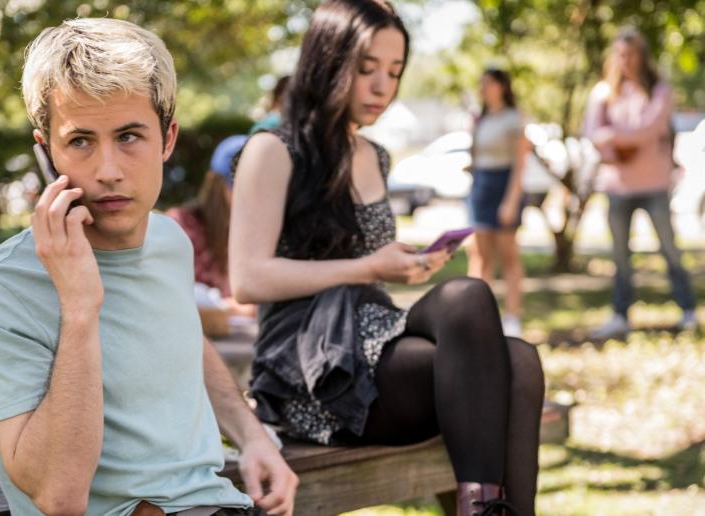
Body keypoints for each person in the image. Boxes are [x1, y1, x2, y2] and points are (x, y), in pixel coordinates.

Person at [0, 18, 296, 516]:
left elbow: (180, 336)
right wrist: (80, 306)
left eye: (129, 136)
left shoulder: (170, 239)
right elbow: (59, 496)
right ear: (47, 153)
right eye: (81, 141)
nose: (108, 170)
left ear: (167, 139)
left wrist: (252, 436)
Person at [229, 1, 545, 514]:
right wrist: (371, 266)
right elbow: (247, 279)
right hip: (311, 369)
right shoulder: (274, 148)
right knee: (511, 356)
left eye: (394, 72)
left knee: (497, 331)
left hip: (375, 335)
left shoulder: (373, 153)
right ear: (328, 61)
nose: (383, 87)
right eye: (367, 68)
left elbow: (370, 266)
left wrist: (403, 264)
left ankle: (484, 508)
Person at [583, 27, 697, 339]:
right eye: (620, 54)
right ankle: (620, 314)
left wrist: (613, 136)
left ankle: (688, 309)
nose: (625, 60)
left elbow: (648, 129)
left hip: (654, 184)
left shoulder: (658, 89)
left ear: (642, 56)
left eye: (631, 54)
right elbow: (592, 132)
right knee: (620, 256)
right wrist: (614, 142)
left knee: (670, 249)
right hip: (617, 186)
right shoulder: (603, 93)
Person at [466, 68, 530, 338]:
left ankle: (512, 317)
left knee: (508, 256)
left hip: (504, 185)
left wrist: (511, 201)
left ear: (502, 86)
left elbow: (520, 164)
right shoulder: (481, 120)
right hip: (481, 185)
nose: (484, 89)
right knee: (479, 256)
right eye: (481, 84)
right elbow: (475, 158)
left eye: (489, 84)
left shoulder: (514, 119)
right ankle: (475, 317)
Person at [167, 135, 250, 315]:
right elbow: (168, 294)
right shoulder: (182, 225)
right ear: (217, 185)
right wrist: (227, 307)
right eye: (242, 186)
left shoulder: (257, 232)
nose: (254, 198)